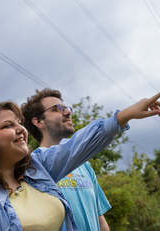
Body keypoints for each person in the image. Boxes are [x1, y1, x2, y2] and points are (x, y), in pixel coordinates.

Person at [0, 90, 160, 231]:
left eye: (18, 123)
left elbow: (77, 146)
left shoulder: (37, 169)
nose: (20, 129)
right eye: (8, 126)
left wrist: (123, 116)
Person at [21, 89, 111, 231]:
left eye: (66, 108)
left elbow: (100, 221)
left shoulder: (85, 166)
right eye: (57, 109)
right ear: (38, 122)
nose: (68, 112)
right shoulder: (32, 167)